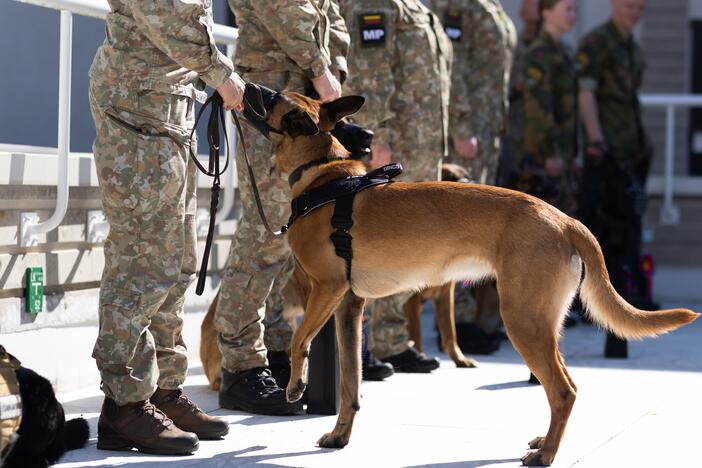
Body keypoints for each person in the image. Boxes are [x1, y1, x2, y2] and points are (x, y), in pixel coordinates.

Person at [89, 0, 245, 454]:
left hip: (166, 107)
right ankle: (124, 405)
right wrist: (218, 71)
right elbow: (163, 11)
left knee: (175, 260)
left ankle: (162, 392)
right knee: (142, 259)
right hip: (136, 107)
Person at [214, 0, 350, 414]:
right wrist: (321, 69)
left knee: (293, 238)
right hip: (271, 105)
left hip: (307, 100)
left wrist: (333, 71)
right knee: (265, 233)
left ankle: (274, 351)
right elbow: (283, 9)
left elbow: (334, 16)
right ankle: (240, 366)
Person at [340, 0, 452, 374]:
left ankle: (391, 339)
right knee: (381, 243)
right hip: (396, 144)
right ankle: (366, 345)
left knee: (405, 247)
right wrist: (378, 135)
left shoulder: (416, 7)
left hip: (422, 146)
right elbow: (371, 70)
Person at [426, 0, 517, 355]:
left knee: (478, 224)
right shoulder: (457, 5)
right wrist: (462, 123)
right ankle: (459, 318)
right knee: (464, 225)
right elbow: (455, 61)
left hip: (486, 127)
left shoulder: (489, 5)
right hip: (469, 132)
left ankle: (467, 314)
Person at [576, 0, 652, 357]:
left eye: (641, 6)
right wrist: (596, 142)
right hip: (606, 158)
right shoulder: (597, 42)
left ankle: (619, 329)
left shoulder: (630, 46)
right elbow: (587, 93)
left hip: (631, 155)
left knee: (627, 244)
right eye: (629, 4)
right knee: (603, 241)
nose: (635, 11)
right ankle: (605, 324)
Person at [519, 0, 578, 214]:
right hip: (545, 155)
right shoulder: (540, 53)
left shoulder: (562, 51)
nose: (573, 15)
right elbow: (538, 106)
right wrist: (550, 152)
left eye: (575, 10)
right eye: (567, 10)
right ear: (546, 13)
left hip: (562, 152)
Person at [500, 0, 540, 188]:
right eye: (529, 21)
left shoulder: (553, 50)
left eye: (536, 22)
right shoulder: (514, 46)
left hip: (540, 137)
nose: (532, 25)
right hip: (515, 135)